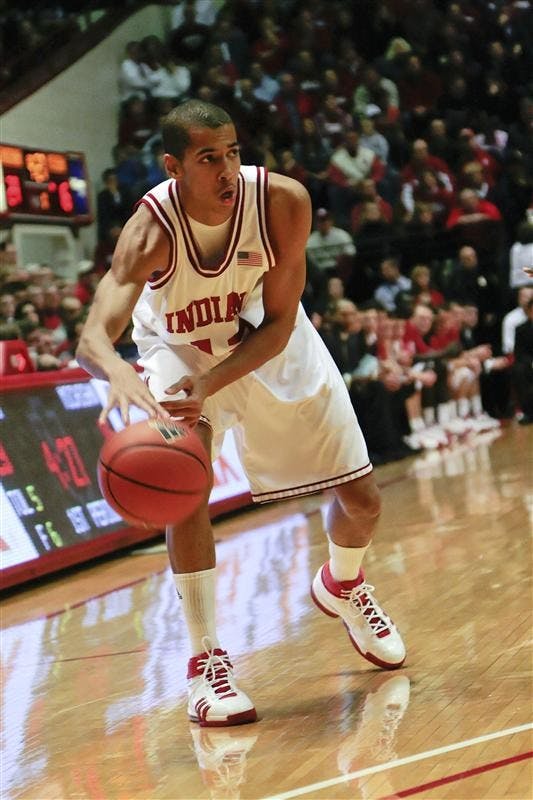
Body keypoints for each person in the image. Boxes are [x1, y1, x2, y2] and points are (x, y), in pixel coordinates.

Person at [76, 100, 405, 729]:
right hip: (177, 346)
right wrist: (118, 370)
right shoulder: (151, 231)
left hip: (263, 340)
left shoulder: (282, 202)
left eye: (232, 152)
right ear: (174, 166)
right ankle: (205, 661)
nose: (227, 171)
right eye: (208, 159)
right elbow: (93, 337)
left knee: (362, 499)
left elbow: (279, 324)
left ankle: (341, 584)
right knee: (185, 481)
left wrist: (212, 382)